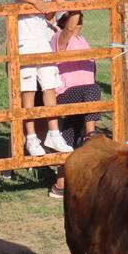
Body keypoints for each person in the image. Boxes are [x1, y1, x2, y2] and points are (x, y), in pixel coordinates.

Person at [1, 0, 74, 157]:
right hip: (24, 41)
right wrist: (34, 0)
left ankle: (53, 132)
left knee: (50, 85)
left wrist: (55, 5)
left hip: (42, 41)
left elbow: (49, 16)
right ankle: (31, 137)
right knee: (28, 89)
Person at [48, 11, 101, 199]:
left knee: (69, 134)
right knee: (93, 89)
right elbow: (69, 29)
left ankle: (60, 185)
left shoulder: (82, 39)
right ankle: (91, 134)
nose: (79, 25)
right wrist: (77, 7)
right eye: (75, 21)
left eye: (81, 21)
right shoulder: (59, 38)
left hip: (83, 98)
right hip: (66, 93)